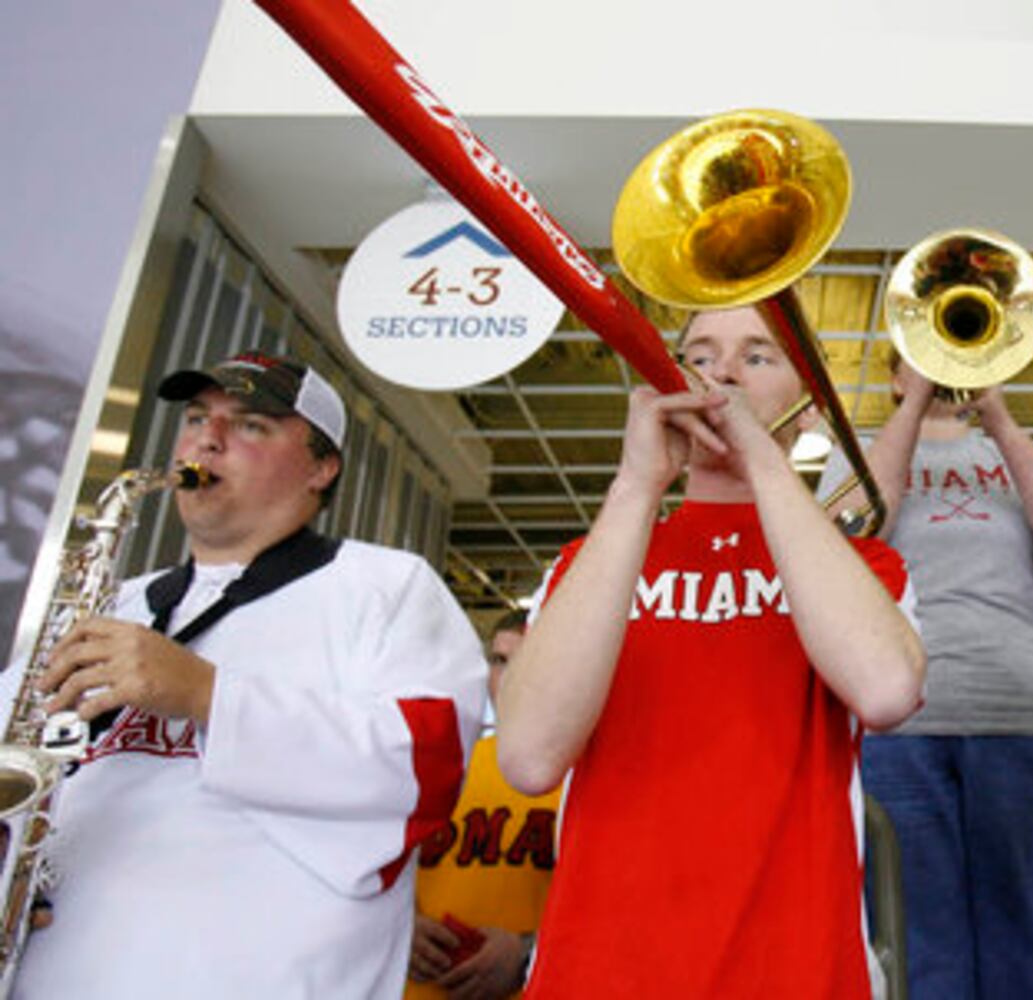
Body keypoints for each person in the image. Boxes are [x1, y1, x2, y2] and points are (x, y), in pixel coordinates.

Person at [18, 352, 486, 999]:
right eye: (197, 417)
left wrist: (209, 695)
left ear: (322, 467)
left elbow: (425, 768)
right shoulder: (112, 603)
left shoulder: (386, 586)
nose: (207, 439)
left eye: (251, 425)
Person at [497, 306, 926, 999]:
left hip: (798, 974)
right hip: (599, 974)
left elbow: (884, 690)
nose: (721, 373)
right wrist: (637, 486)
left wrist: (764, 464)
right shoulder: (588, 560)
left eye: (758, 357)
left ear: (809, 411)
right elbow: (527, 756)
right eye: (698, 357)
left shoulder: (863, 565)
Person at [818, 357, 1033, 999]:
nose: (941, 365)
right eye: (921, 355)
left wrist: (998, 414)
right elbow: (849, 537)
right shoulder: (854, 457)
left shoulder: (1030, 452)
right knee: (920, 948)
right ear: (893, 374)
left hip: (1023, 716)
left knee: (1031, 943)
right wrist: (910, 411)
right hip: (899, 724)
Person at [408, 609, 558, 1000]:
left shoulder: (587, 777)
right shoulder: (432, 761)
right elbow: (356, 873)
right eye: (499, 660)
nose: (509, 677)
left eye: (526, 662)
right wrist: (397, 928)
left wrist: (526, 955)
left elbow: (623, 919)